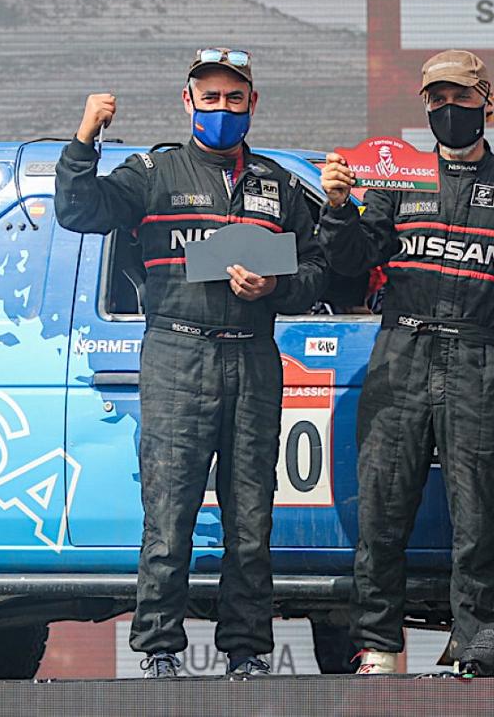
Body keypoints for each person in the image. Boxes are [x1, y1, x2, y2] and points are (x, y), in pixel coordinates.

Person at [54, 48, 327, 678]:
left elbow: (317, 272)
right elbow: (78, 211)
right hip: (177, 352)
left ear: (252, 104)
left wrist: (275, 289)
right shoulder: (152, 172)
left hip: (255, 356)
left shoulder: (278, 184)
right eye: (211, 99)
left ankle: (248, 652)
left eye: (235, 99)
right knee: (170, 513)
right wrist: (84, 138)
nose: (223, 109)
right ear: (189, 102)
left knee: (251, 517)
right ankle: (157, 651)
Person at [319, 50, 494, 674]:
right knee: (383, 503)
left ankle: (478, 638)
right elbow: (348, 263)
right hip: (400, 350)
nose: (448, 108)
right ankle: (377, 643)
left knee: (478, 509)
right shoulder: (397, 178)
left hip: (479, 349)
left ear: (487, 99)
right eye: (436, 99)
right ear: (424, 106)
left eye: (460, 96)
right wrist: (339, 207)